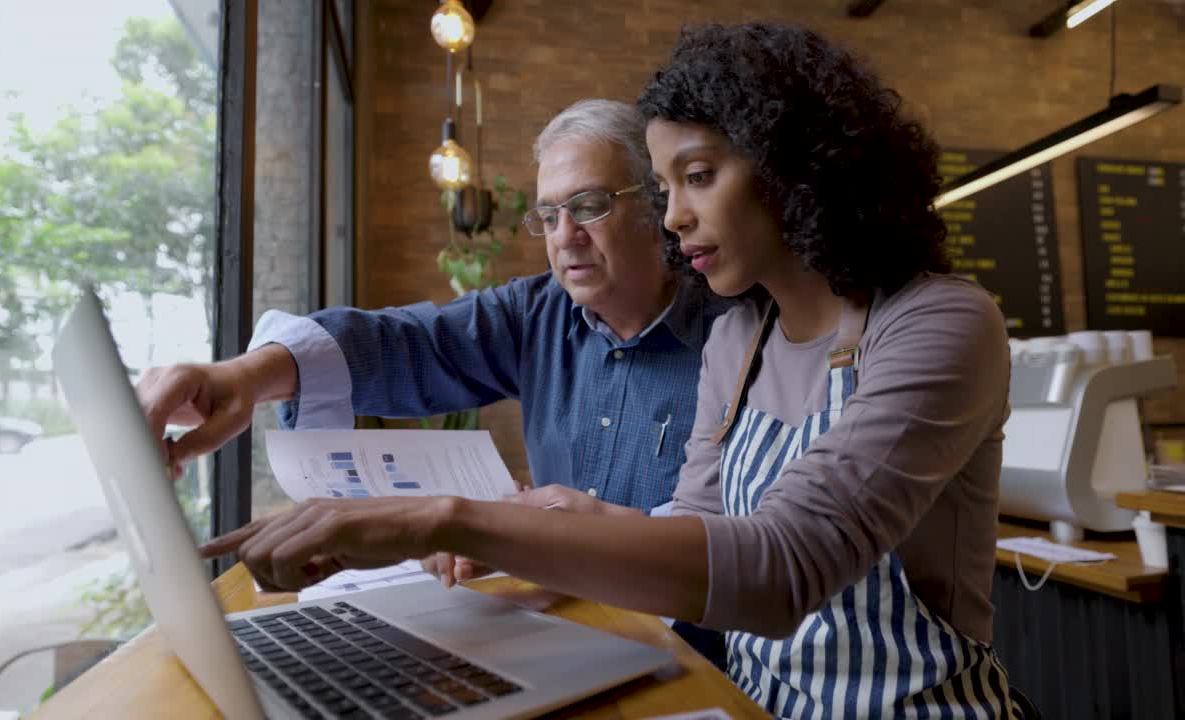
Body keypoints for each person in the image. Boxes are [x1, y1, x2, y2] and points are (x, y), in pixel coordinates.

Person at [190, 22, 1024, 717]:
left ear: (795, 165)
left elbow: (782, 569)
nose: (677, 217)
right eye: (664, 188)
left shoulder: (940, 322)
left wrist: (444, 518)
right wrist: (253, 375)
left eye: (696, 177)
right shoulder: (742, 339)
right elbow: (693, 523)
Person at [137, 99, 731, 576]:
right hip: (561, 628)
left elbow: (762, 542)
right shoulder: (535, 315)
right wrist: (244, 376)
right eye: (549, 215)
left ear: (657, 204)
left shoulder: (739, 330)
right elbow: (407, 344)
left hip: (699, 657)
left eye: (589, 205)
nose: (565, 235)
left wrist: (527, 532)